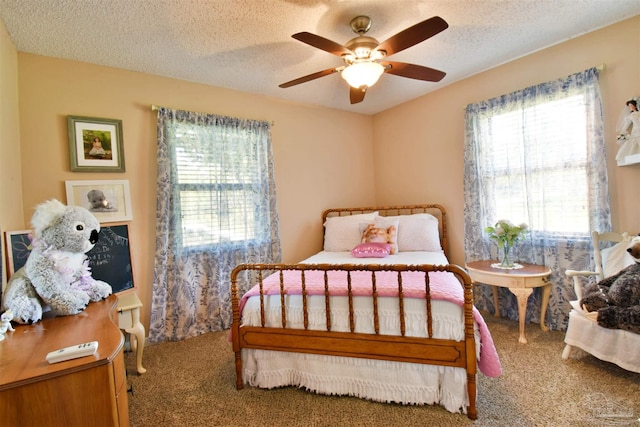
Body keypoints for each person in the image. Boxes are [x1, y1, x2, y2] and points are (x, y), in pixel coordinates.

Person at [616, 99, 640, 165]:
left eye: (631, 105)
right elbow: (626, 125)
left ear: (635, 106)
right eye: (629, 106)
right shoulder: (630, 116)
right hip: (636, 130)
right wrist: (622, 133)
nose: (631, 107)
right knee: (634, 143)